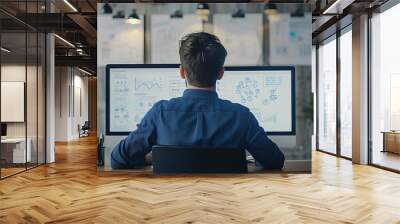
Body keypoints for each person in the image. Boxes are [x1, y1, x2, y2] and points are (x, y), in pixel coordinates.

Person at [111, 32, 285, 170]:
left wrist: (152, 158)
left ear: (181, 72)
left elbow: (117, 159)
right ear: (221, 73)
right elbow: (275, 161)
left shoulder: (160, 113)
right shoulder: (242, 117)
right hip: (229, 207)